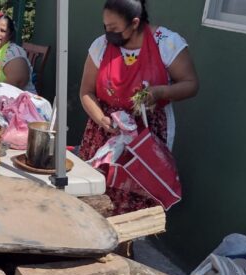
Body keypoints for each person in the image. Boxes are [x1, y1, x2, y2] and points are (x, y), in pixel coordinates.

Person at [79, 0, 199, 216]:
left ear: (134, 23)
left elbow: (190, 84)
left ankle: (126, 245)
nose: (108, 33)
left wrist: (160, 92)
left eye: (114, 28)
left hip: (146, 137)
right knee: (94, 195)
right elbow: (86, 92)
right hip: (104, 131)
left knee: (134, 200)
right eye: (105, 26)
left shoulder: (166, 42)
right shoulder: (101, 46)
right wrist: (100, 119)